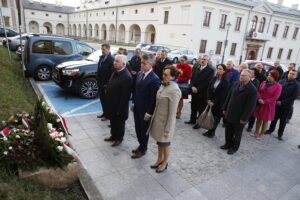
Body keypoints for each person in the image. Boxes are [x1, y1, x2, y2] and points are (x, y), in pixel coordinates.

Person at [148, 65, 181, 173]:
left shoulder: (174, 90)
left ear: (172, 77)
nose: (163, 76)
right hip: (158, 121)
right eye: (163, 74)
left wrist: (168, 129)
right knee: (159, 142)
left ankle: (165, 162)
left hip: (166, 123)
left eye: (166, 75)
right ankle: (159, 159)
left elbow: (172, 113)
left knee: (165, 144)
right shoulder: (164, 85)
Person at [130, 54, 160, 159]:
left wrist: (149, 113)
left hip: (145, 111)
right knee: (138, 129)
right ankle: (140, 145)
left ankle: (143, 149)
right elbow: (136, 90)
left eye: (144, 63)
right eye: (141, 62)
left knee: (143, 131)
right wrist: (133, 103)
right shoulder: (139, 74)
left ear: (151, 64)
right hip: (137, 107)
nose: (141, 64)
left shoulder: (155, 79)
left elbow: (154, 98)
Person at [222, 69, 257, 154]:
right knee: (228, 130)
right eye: (241, 75)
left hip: (240, 116)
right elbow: (229, 97)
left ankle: (234, 147)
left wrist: (244, 118)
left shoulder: (252, 90)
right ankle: (227, 144)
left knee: (237, 133)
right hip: (230, 112)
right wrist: (225, 108)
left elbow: (250, 106)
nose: (241, 76)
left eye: (244, 75)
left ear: (249, 77)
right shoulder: (236, 84)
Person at [103, 55, 132, 147]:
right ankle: (113, 136)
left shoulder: (127, 77)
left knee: (119, 123)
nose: (114, 62)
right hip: (112, 104)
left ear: (123, 64)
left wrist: (120, 109)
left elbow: (125, 96)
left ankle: (119, 138)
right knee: (113, 122)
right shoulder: (115, 72)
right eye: (114, 61)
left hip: (119, 106)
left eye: (117, 61)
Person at [265, 70, 299, 140]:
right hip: (277, 103)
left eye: (293, 74)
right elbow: (276, 91)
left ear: (296, 76)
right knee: (274, 118)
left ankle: (280, 134)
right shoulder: (282, 81)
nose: (291, 75)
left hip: (286, 106)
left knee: (283, 121)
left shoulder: (297, 85)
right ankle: (270, 130)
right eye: (290, 73)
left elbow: (293, 97)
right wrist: (276, 100)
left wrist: (282, 102)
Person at [185, 55, 214, 129]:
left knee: (201, 108)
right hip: (194, 91)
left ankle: (199, 123)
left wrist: (198, 88)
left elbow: (207, 82)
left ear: (207, 61)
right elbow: (191, 78)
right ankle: (192, 120)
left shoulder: (210, 70)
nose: (202, 60)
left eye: (204, 59)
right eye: (201, 59)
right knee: (193, 106)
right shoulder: (196, 67)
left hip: (202, 92)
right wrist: (192, 86)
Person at [252, 70, 282, 140]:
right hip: (260, 103)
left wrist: (265, 101)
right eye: (268, 75)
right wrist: (259, 98)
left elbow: (275, 97)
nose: (269, 77)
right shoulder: (263, 82)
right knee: (258, 118)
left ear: (275, 77)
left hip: (268, 105)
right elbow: (258, 91)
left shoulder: (278, 86)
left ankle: (261, 133)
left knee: (265, 120)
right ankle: (256, 131)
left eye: (271, 76)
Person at [202, 64, 229, 138]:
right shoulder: (214, 78)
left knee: (216, 118)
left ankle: (212, 132)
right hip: (210, 101)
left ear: (224, 71)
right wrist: (208, 99)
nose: (218, 70)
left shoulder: (226, 81)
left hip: (218, 103)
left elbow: (223, 94)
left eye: (220, 69)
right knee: (210, 116)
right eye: (218, 68)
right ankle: (209, 130)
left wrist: (214, 101)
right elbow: (209, 89)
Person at [96, 44, 114, 121]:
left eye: (103, 49)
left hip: (106, 84)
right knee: (102, 100)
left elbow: (112, 73)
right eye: (101, 49)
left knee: (107, 101)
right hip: (100, 83)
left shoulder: (111, 59)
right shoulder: (102, 57)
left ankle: (108, 115)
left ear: (108, 49)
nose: (102, 51)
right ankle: (104, 113)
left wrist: (108, 84)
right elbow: (99, 70)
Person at [246, 68, 260, 132]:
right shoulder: (246, 79)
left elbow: (254, 90)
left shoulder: (256, 81)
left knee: (252, 115)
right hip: (244, 99)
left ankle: (250, 126)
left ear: (255, 75)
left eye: (251, 72)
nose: (249, 73)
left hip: (251, 100)